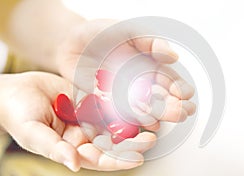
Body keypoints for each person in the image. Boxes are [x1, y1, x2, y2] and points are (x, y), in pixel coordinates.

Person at [0, 0, 196, 173]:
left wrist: (64, 39)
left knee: (121, 147)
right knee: (82, 154)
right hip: (14, 99)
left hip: (22, 68)